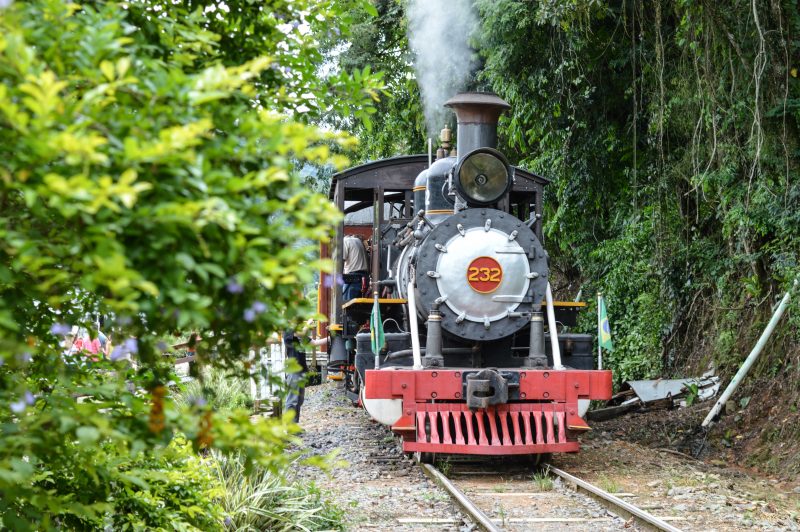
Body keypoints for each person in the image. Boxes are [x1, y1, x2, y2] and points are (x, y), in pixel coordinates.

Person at [283, 327, 326, 423]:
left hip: (301, 371)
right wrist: (309, 324)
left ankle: (294, 425)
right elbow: (301, 333)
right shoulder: (288, 331)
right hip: (293, 371)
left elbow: (314, 343)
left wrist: (330, 337)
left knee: (299, 400)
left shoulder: (300, 334)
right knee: (292, 400)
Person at [342, 234, 369, 301]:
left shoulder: (344, 241)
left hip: (352, 279)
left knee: (346, 304)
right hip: (363, 277)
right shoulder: (357, 240)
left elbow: (340, 261)